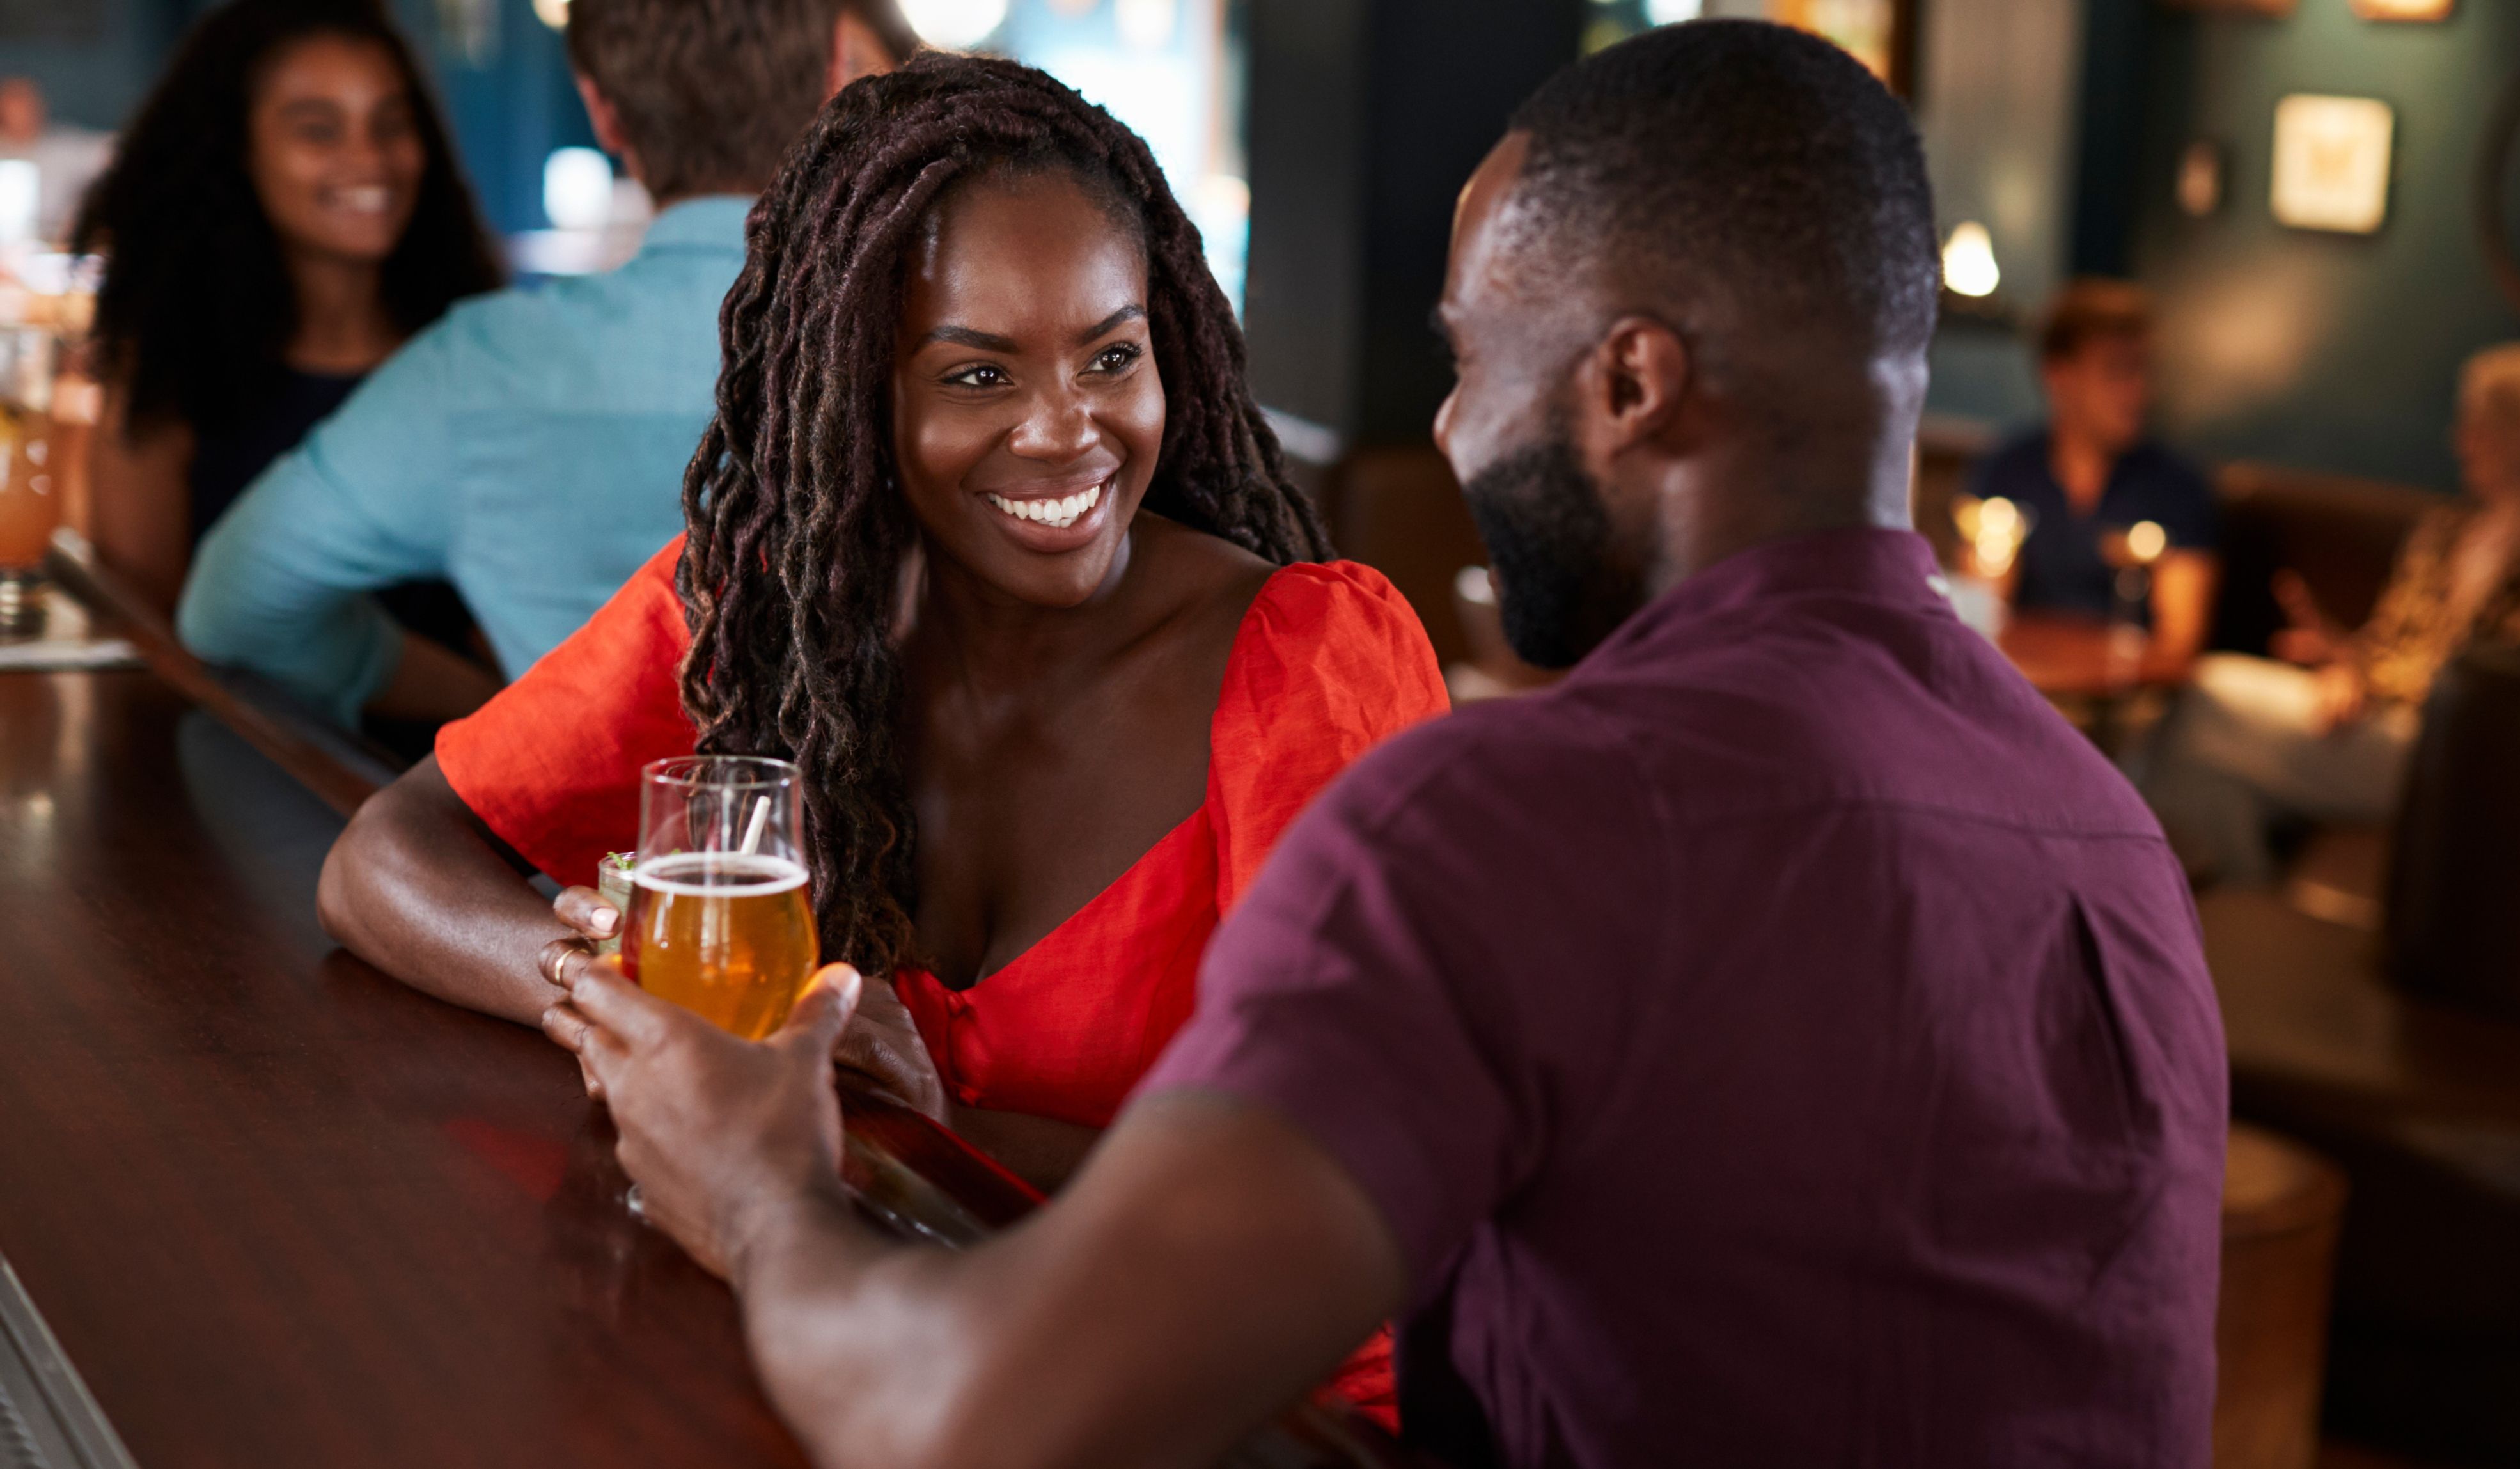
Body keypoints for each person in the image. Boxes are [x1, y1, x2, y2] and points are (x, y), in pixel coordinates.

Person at [541, 23, 2229, 1468]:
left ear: (1629, 384)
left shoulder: (1507, 821)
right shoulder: (2117, 843)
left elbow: (968, 1417)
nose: (1446, 424)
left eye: (1472, 358)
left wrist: (757, 1181)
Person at [315, 55, 1446, 1413]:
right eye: (977, 373)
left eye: (1111, 355)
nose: (1066, 431)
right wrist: (618, 1002)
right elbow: (383, 859)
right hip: (865, 1341)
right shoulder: (762, 612)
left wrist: (866, 1131)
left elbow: (1334, 1184)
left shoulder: (1310, 658)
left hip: (1237, 1403)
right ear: (861, 392)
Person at [173, 0, 906, 727]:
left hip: (579, 803)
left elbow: (230, 606)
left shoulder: (474, 371)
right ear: (834, 75)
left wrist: (480, 704)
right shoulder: (924, 339)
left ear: (601, 110)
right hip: (879, 803)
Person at [75, 0, 500, 659]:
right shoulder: (167, 365)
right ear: (236, 151)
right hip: (237, 727)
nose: (369, 159)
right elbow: (150, 637)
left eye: (391, 124)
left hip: (474, 726)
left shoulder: (474, 347)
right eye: (318, 130)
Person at [2146, 342, 2520, 886]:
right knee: (2205, 773)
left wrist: (2365, 677)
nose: (2461, 441)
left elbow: (2493, 682)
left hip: (2452, 750)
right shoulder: (2445, 531)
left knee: (2207, 692)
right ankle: (2244, 905)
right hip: (2377, 722)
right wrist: (2343, 662)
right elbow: (2389, 642)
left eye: (2478, 425)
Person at [1971, 279, 2218, 661]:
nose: (2138, 390)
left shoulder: (2177, 485)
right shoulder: (2006, 468)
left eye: (2144, 370)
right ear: (2059, 374)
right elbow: (1982, 610)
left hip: (2132, 693)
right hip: (2023, 682)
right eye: (2117, 371)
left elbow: (2178, 641)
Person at [0, 77, 112, 245]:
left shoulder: (64, 148)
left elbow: (114, 151)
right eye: (13, 107)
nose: (21, 114)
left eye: (27, 106)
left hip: (57, 243)